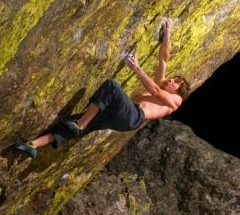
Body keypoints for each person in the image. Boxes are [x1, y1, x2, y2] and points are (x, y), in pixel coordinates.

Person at [14, 18, 190, 158]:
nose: (172, 81)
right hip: (119, 115)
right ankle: (32, 145)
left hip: (134, 117)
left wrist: (136, 67)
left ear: (178, 92)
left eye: (177, 83)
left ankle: (80, 125)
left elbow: (155, 92)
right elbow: (164, 59)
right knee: (75, 122)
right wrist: (167, 33)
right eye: (174, 79)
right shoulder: (162, 85)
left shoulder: (175, 101)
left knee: (112, 86)